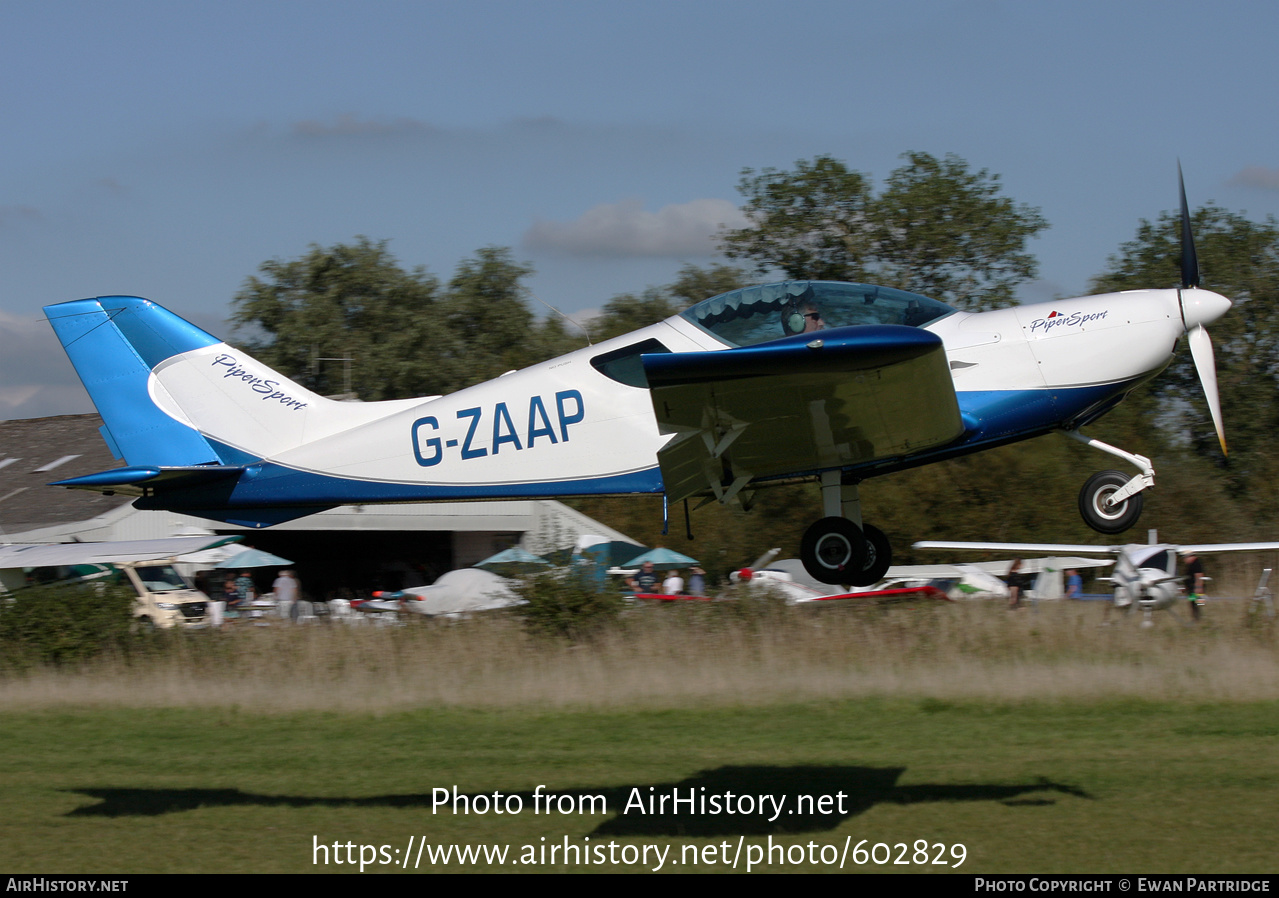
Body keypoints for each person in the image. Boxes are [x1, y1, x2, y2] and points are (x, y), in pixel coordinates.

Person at [1184, 553, 1205, 621]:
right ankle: (1196, 618)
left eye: (1185, 558)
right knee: (1193, 603)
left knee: (1198, 604)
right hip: (1192, 589)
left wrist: (1198, 588)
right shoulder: (1192, 564)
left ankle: (1198, 618)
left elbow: (1199, 576)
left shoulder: (1196, 564)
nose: (1185, 560)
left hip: (1196, 589)